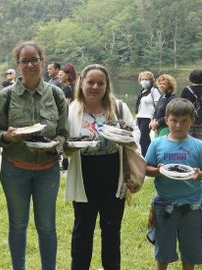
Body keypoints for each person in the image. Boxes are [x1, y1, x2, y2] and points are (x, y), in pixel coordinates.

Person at [0, 41, 69, 270]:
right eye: (25, 60)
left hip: (48, 171)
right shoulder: (5, 96)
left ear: (42, 62)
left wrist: (55, 146)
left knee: (47, 226)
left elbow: (64, 134)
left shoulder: (55, 94)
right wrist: (7, 136)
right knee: (17, 225)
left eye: (35, 59)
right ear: (18, 64)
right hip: (15, 169)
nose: (30, 64)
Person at [64, 64, 139, 270]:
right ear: (82, 83)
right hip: (84, 173)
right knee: (82, 230)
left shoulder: (119, 108)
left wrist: (125, 136)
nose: (95, 87)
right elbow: (64, 143)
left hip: (113, 173)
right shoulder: (71, 110)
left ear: (107, 85)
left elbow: (135, 134)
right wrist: (68, 148)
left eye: (100, 83)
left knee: (112, 230)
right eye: (91, 82)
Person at [145, 98, 202, 270]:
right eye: (174, 120)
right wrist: (158, 170)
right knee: (163, 251)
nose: (178, 125)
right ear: (167, 119)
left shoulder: (198, 146)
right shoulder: (157, 144)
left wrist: (198, 175)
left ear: (192, 121)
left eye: (184, 121)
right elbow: (146, 168)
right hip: (164, 204)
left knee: (190, 252)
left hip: (191, 207)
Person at [135, 71, 161, 156]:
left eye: (146, 79)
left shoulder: (154, 91)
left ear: (151, 80)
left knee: (142, 139)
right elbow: (139, 106)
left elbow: (158, 107)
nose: (144, 81)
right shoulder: (142, 91)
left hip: (148, 118)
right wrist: (136, 116)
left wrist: (154, 119)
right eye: (142, 79)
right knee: (146, 138)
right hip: (140, 117)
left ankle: (144, 157)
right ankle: (151, 155)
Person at [181, 70, 202, 140]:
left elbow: (181, 103)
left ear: (191, 78)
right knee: (199, 139)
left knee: (187, 139)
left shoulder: (186, 89)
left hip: (189, 118)